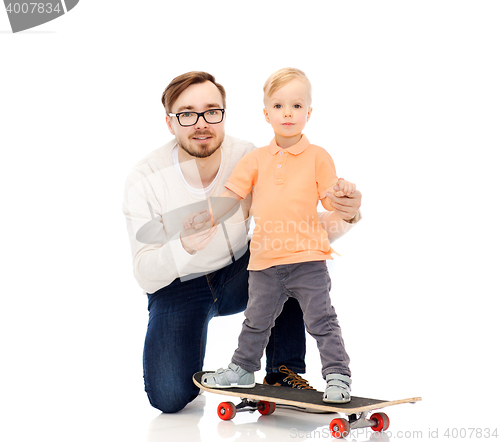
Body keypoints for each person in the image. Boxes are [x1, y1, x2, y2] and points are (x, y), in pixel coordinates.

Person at [122, 71, 362, 413]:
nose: (201, 123)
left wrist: (349, 215)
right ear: (170, 122)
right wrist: (186, 245)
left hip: (239, 271)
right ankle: (237, 368)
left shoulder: (247, 155)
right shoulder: (144, 178)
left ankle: (283, 372)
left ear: (223, 114)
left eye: (212, 111)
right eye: (187, 114)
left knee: (291, 257)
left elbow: (298, 220)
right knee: (169, 396)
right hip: (178, 286)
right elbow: (145, 274)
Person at [198, 68, 355, 403]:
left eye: (297, 106)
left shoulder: (318, 157)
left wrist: (342, 194)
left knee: (322, 320)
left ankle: (338, 376)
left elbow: (329, 200)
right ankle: (242, 369)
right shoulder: (256, 160)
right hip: (264, 263)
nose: (288, 113)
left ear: (308, 113)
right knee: (255, 322)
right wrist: (207, 217)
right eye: (279, 106)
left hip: (308, 261)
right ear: (266, 113)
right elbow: (233, 194)